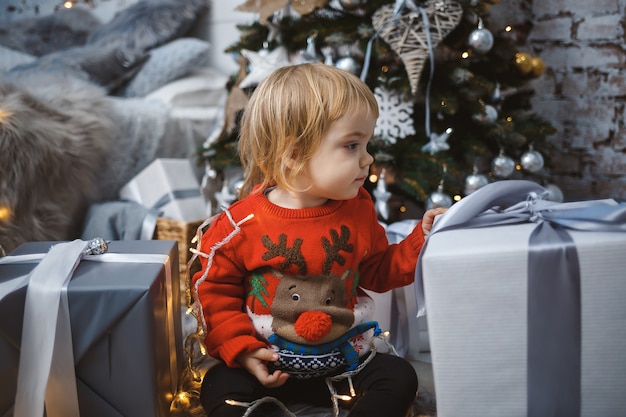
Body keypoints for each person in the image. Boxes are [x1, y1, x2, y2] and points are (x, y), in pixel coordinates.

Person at [192, 63, 446, 417]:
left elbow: (377, 271)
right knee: (220, 388)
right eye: (352, 145)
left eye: (366, 144)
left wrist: (420, 238)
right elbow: (214, 293)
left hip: (345, 362)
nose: (368, 158)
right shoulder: (241, 224)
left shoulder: (357, 210)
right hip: (269, 364)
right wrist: (243, 349)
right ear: (294, 153)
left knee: (399, 376)